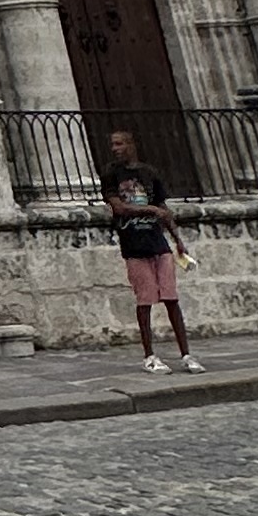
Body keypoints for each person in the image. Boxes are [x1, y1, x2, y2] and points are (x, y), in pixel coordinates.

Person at [102, 143, 199, 372]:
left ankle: (186, 354)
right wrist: (151, 211)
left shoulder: (149, 173)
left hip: (158, 243)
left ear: (131, 145)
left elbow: (163, 207)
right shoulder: (111, 175)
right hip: (134, 246)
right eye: (113, 144)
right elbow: (119, 208)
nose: (115, 148)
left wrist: (177, 238)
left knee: (171, 299)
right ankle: (149, 355)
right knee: (144, 301)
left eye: (120, 143)